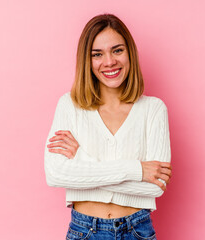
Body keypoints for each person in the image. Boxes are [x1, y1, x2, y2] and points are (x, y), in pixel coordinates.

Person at [44, 13, 172, 240]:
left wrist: (81, 162)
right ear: (87, 60)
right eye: (97, 54)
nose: (109, 61)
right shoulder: (70, 105)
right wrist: (137, 170)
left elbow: (155, 187)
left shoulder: (153, 109)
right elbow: (56, 174)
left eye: (117, 50)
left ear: (129, 53)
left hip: (137, 230)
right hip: (85, 231)